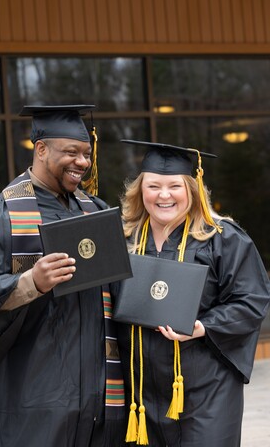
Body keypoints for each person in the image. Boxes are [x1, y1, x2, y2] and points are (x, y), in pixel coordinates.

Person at [0, 105, 126, 447]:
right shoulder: (1, 214)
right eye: (71, 152)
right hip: (33, 398)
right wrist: (31, 283)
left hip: (99, 399)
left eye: (86, 154)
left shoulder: (96, 210)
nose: (82, 162)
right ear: (41, 149)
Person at [111, 140, 270, 447]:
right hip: (140, 394)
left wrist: (202, 327)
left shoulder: (222, 238)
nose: (164, 195)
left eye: (175, 186)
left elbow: (251, 301)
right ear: (140, 190)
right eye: (153, 185)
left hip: (205, 390)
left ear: (192, 189)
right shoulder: (122, 238)